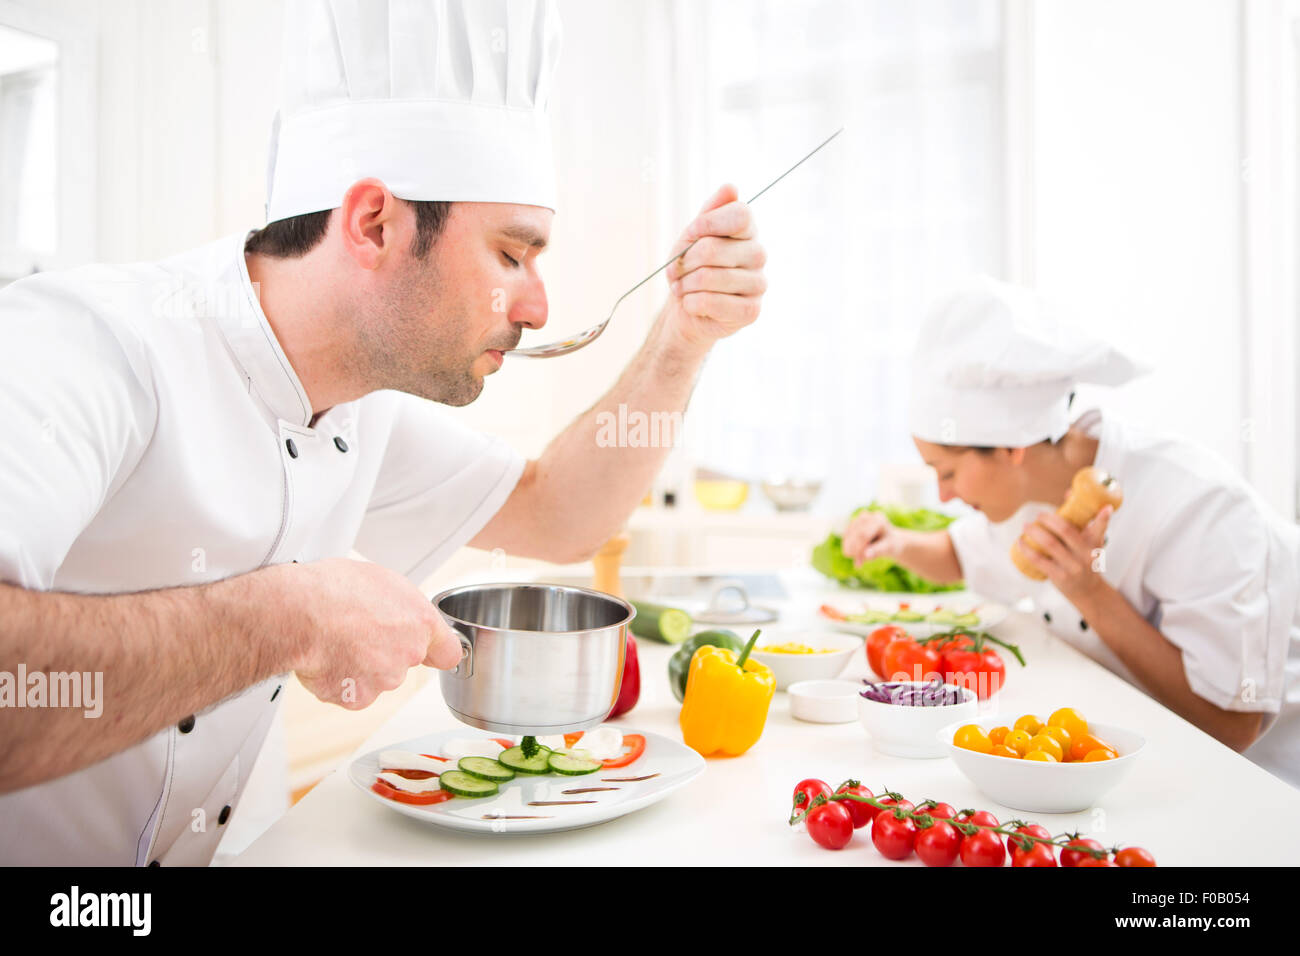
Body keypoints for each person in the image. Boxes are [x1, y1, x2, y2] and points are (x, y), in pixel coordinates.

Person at [0, 0, 767, 864]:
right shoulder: (83, 342)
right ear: (373, 224)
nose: (538, 306)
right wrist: (290, 614)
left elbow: (556, 516)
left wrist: (681, 341)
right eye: (512, 256)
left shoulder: (358, 402)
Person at [842, 277, 1300, 787]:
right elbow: (965, 554)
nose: (944, 496)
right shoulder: (1032, 482)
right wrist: (896, 543)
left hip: (1259, 787)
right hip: (1128, 749)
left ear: (1010, 447)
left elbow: (1231, 728)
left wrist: (1088, 590)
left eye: (947, 472)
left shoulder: (1204, 507)